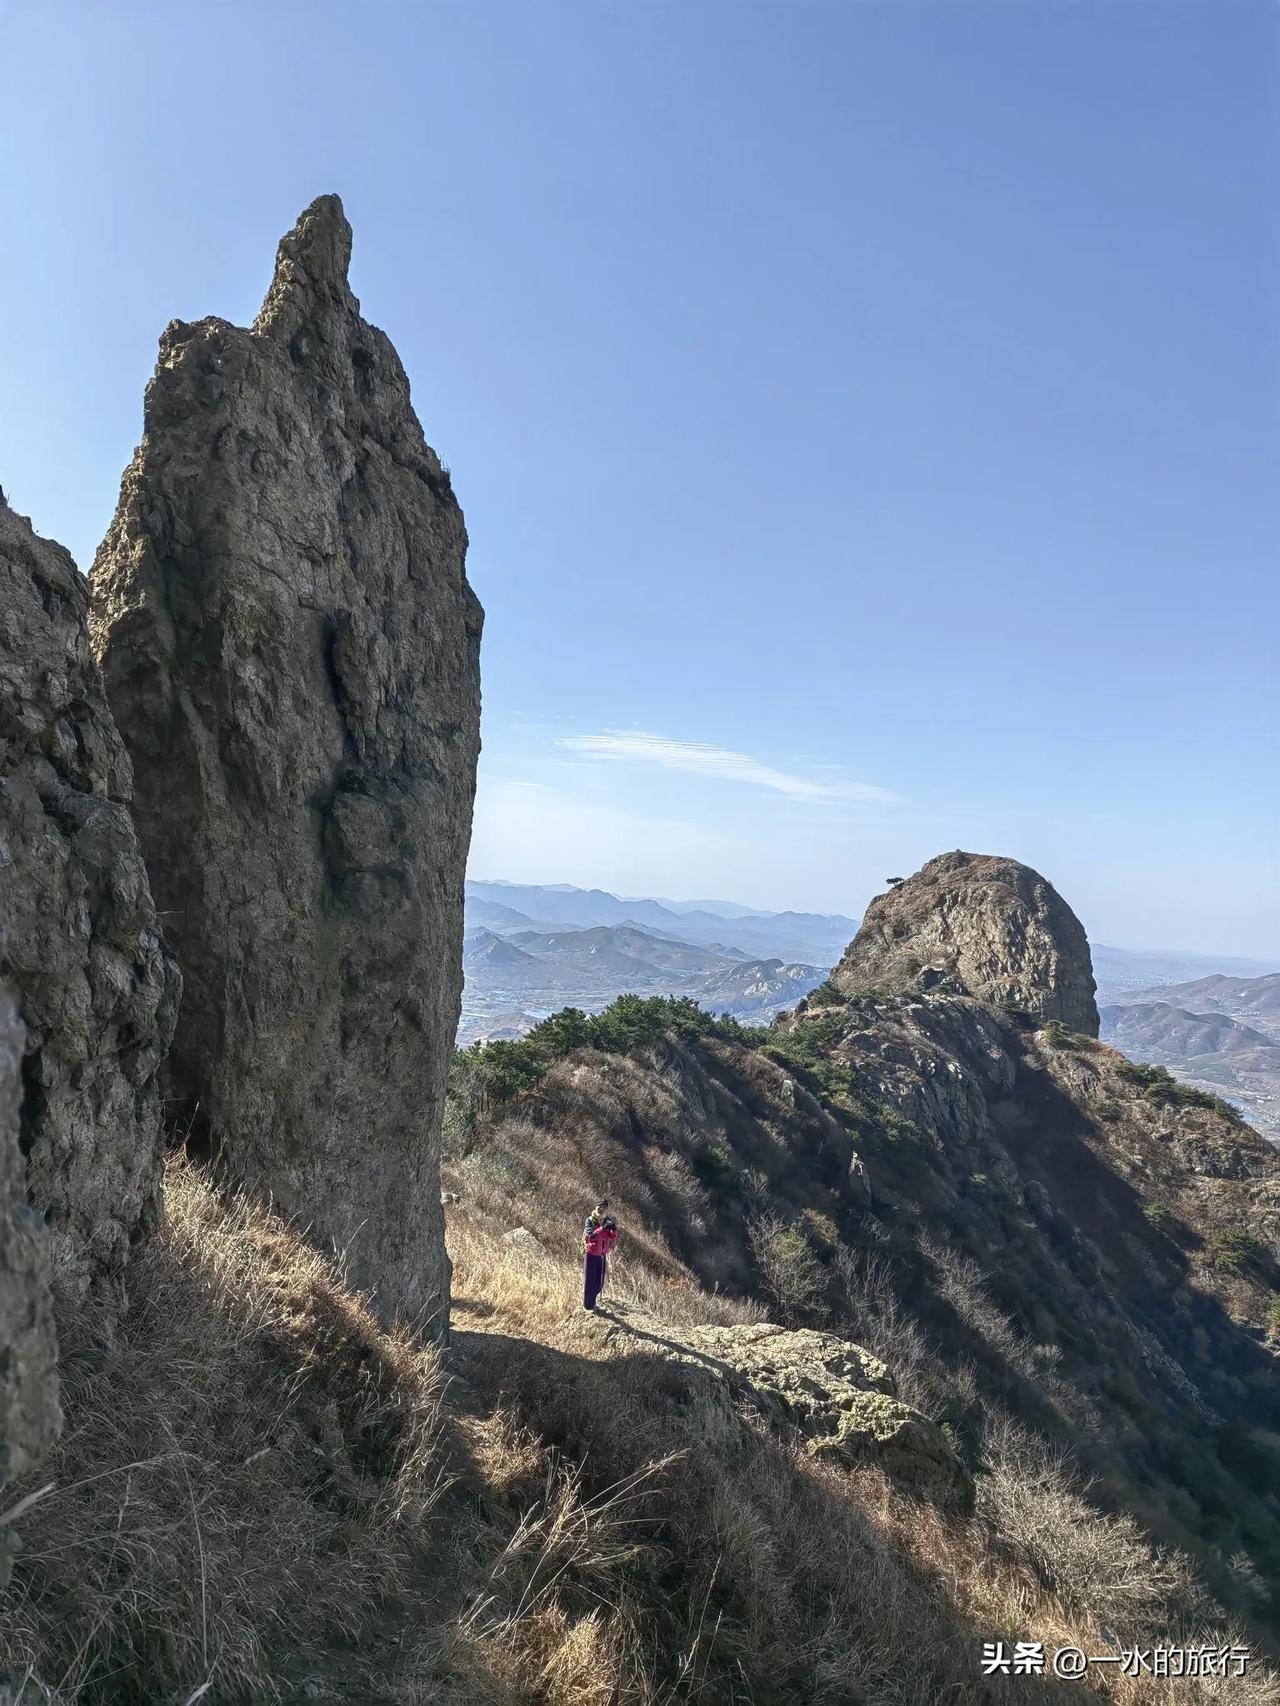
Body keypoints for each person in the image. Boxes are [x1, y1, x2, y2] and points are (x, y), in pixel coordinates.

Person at [582, 1205, 619, 1311]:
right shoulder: (590, 1220)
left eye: (604, 1207)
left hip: (602, 1255)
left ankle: (593, 1301)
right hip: (591, 1254)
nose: (601, 1209)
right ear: (596, 1207)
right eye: (600, 1207)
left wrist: (613, 1228)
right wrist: (602, 1228)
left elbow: (613, 1237)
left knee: (599, 1282)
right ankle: (588, 1306)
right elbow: (591, 1235)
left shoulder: (606, 1221)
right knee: (590, 1280)